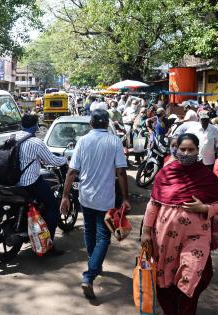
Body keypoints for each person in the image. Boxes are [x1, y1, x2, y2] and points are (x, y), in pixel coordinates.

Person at [141, 133, 218, 315]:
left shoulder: (206, 177)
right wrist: (145, 231)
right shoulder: (165, 174)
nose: (186, 153)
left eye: (190, 149)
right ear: (176, 149)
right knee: (165, 279)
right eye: (182, 149)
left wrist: (203, 208)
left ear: (197, 150)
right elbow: (153, 205)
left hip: (197, 237)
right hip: (165, 237)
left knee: (193, 276)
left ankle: (185, 311)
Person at [60, 109, 131, 300]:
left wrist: (65, 196)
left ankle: (94, 265)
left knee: (89, 232)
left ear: (90, 124)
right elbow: (121, 172)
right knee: (103, 238)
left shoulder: (82, 141)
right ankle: (89, 275)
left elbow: (72, 172)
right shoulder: (114, 141)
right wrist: (125, 197)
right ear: (107, 124)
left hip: (86, 197)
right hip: (105, 199)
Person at [16, 114, 68, 255]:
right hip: (29, 182)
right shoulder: (35, 142)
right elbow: (52, 161)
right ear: (35, 126)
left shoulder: (12, 137)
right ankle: (48, 245)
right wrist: (66, 160)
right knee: (52, 207)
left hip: (12, 182)